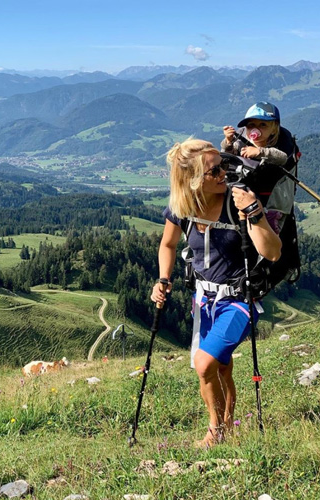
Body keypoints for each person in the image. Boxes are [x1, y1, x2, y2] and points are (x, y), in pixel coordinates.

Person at [151, 138, 282, 448]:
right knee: (221, 367)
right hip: (205, 300)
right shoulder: (181, 208)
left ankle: (215, 432)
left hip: (239, 301)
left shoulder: (236, 201)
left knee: (204, 364)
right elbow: (167, 245)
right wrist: (163, 279)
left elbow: (272, 252)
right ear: (192, 180)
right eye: (215, 170)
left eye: (223, 164)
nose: (225, 172)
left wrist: (254, 212)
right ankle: (228, 425)